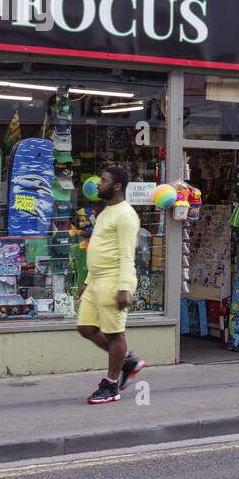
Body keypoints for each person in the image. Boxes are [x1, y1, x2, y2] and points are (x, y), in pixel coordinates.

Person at [76, 165, 145, 404]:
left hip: (115, 280)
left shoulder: (125, 215)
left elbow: (127, 255)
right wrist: (87, 282)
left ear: (117, 186)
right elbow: (100, 250)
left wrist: (124, 287)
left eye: (103, 181)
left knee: (114, 333)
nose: (97, 184)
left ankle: (111, 385)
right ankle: (127, 361)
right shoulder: (106, 211)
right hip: (97, 280)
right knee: (86, 328)